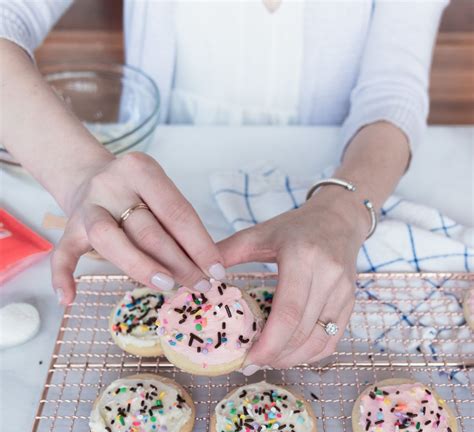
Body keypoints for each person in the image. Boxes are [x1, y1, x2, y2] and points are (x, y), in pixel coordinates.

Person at [0, 0, 448, 373]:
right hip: (148, 194)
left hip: (341, 180)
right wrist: (78, 172)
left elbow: (392, 92)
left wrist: (343, 210)